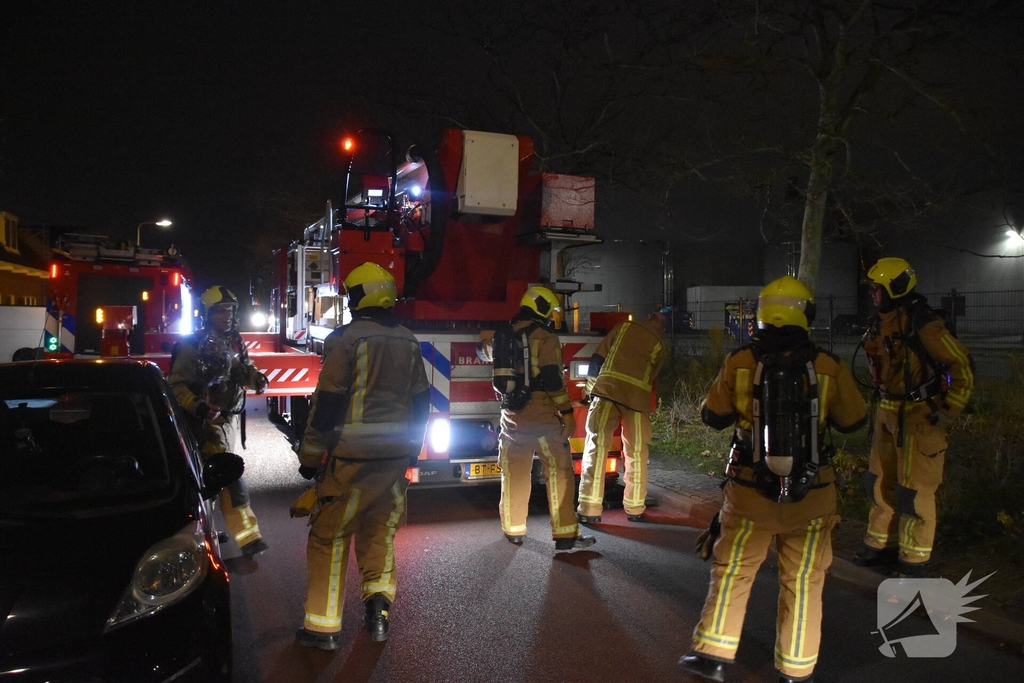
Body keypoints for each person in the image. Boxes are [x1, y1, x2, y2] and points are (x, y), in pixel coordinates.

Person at [679, 275, 867, 683]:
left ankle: (712, 654)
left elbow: (713, 416)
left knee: (733, 570)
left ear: (762, 314)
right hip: (813, 497)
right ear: (807, 315)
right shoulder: (828, 365)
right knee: (803, 581)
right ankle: (796, 669)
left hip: (750, 494)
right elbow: (854, 421)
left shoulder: (741, 361)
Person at [294, 262, 430, 651]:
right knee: (379, 534)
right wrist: (412, 453)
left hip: (350, 462)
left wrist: (309, 456)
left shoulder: (344, 339)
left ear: (359, 297)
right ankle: (379, 613)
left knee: (329, 537)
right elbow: (421, 404)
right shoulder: (408, 340)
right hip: (392, 461)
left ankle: (322, 628)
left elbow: (328, 404)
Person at [854, 257, 974, 577]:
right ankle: (880, 544)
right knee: (879, 482)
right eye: (872, 289)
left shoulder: (924, 323)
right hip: (887, 411)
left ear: (895, 289)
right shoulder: (882, 322)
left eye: (878, 289)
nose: (873, 295)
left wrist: (949, 412)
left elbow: (961, 363)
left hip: (919, 416)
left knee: (915, 490)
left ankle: (914, 559)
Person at [477, 286, 596, 550]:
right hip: (541, 416)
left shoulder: (503, 336)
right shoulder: (545, 336)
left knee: (514, 474)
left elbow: (482, 352)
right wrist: (567, 412)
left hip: (510, 417)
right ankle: (565, 535)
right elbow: (553, 378)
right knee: (559, 470)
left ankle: (514, 530)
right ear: (542, 308)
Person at [168, 285, 270, 558]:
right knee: (229, 474)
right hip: (206, 424)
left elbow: (242, 369)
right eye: (221, 310)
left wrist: (256, 379)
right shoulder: (192, 345)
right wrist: (199, 407)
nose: (227, 315)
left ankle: (203, 531)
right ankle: (249, 537)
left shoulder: (234, 340)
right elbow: (176, 385)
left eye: (230, 310)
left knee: (210, 478)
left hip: (229, 420)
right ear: (207, 313)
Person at [576, 311, 666, 523]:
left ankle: (589, 510)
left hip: (607, 393)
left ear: (649, 319)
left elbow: (598, 357)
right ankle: (635, 509)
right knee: (636, 452)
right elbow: (653, 376)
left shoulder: (624, 327)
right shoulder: (661, 345)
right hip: (636, 401)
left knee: (596, 447)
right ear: (661, 327)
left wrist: (590, 387)